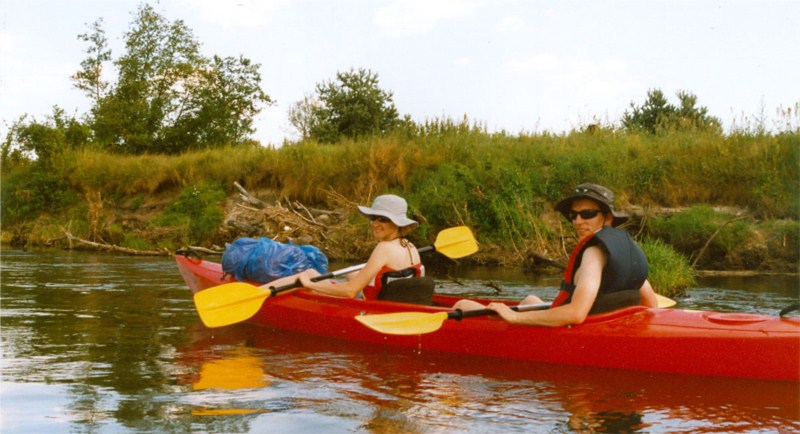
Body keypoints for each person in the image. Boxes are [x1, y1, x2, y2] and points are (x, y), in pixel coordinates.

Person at [453, 183, 658, 326]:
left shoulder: (593, 254)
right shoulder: (627, 249)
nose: (578, 221)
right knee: (530, 299)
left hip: (576, 329)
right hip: (603, 324)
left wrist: (513, 318)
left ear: (607, 218)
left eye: (587, 214)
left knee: (462, 305)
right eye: (573, 215)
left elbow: (576, 314)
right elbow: (651, 305)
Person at [265, 194, 425, 300]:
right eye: (374, 218)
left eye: (383, 219)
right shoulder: (410, 246)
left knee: (309, 274)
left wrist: (309, 284)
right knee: (352, 273)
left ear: (397, 223)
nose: (375, 224)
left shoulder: (384, 248)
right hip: (388, 301)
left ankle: (261, 292)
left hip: (370, 306)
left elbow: (350, 292)